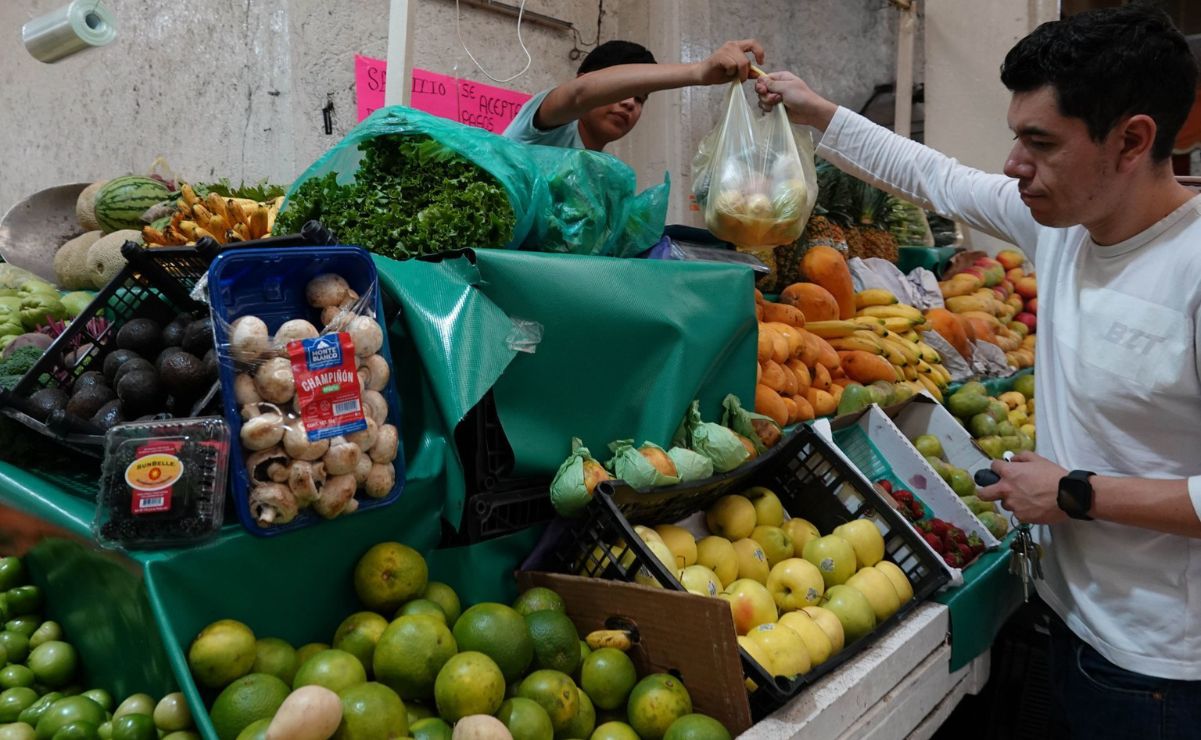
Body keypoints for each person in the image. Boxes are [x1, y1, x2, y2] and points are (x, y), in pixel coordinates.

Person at [756, 6, 1201, 738]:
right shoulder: (1065, 229)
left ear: (1131, 141)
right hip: (1062, 618)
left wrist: (1072, 492)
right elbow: (932, 175)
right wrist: (814, 111)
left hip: (1155, 672)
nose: (1012, 164)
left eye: (1040, 142)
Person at [503, 38, 764, 151]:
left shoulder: (605, 177)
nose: (629, 103)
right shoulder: (545, 122)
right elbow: (579, 94)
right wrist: (698, 72)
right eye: (626, 92)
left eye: (640, 98)